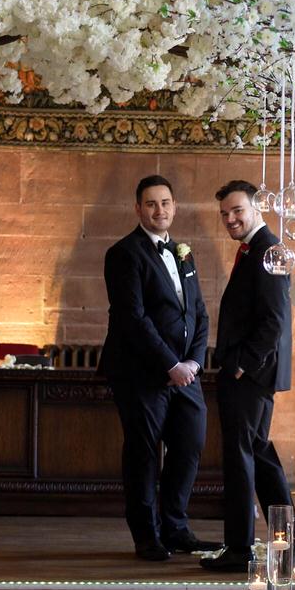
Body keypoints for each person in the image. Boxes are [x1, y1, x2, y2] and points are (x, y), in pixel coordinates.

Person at [100, 175, 216, 561]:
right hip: (141, 375)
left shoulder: (184, 253)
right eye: (151, 204)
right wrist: (170, 365)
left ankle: (176, 527)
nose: (159, 210)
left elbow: (198, 312)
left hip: (186, 373)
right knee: (144, 453)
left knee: (189, 445)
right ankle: (147, 536)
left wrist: (194, 362)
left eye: (165, 203)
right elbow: (133, 319)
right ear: (138, 209)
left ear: (174, 207)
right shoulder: (123, 254)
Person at [200, 180, 293, 572]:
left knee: (241, 458)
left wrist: (243, 365)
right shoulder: (255, 249)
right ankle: (287, 537)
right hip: (250, 373)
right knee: (256, 452)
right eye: (224, 214)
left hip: (249, 375)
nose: (230, 219)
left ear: (257, 208)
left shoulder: (267, 250)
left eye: (237, 210)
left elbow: (275, 320)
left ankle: (240, 551)